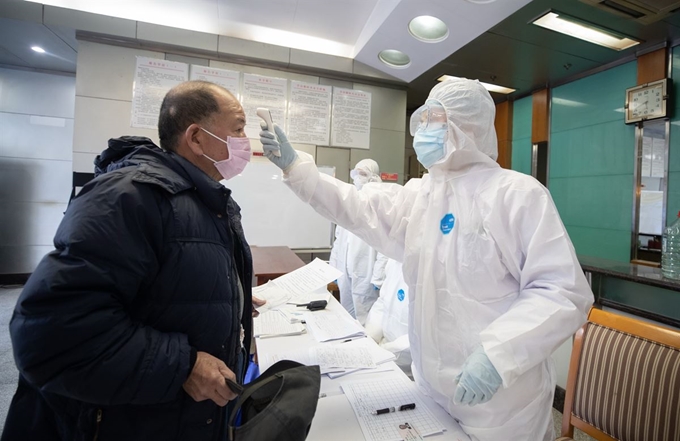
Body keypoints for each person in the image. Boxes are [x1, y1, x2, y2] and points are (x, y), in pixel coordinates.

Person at [259, 77, 594, 441]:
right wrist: (297, 169)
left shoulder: (517, 194)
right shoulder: (422, 195)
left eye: (434, 118)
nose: (422, 129)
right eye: (423, 119)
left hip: (500, 403)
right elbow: (359, 207)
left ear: (466, 126)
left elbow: (561, 290)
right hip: (430, 389)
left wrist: (498, 355)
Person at [3, 81, 264, 441]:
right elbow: (49, 332)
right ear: (196, 137)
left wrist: (228, 298)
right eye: (238, 128)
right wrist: (184, 367)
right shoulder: (130, 196)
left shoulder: (202, 199)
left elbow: (166, 285)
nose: (245, 141)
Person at [329, 159, 388, 325]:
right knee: (346, 314)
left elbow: (386, 246)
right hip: (345, 269)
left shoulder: (380, 203)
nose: (357, 177)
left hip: (366, 272)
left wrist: (378, 276)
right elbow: (339, 240)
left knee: (365, 317)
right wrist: (333, 269)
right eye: (356, 173)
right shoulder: (349, 201)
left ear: (374, 176)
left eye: (363, 173)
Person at [364, 259, 411, 376]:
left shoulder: (437, 272)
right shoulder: (395, 261)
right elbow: (382, 303)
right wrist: (370, 338)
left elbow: (423, 338)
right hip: (384, 356)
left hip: (412, 369)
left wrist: (383, 351)